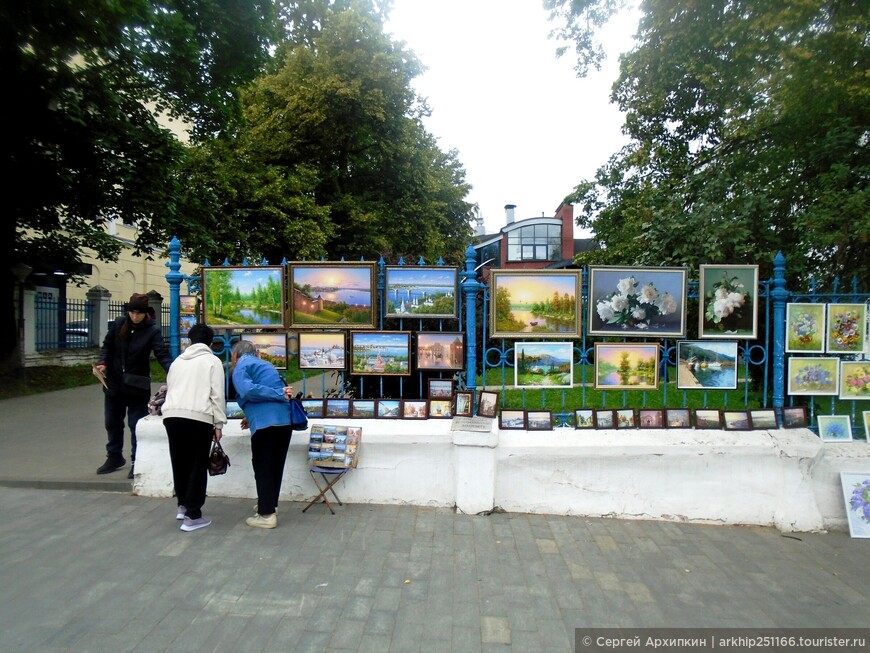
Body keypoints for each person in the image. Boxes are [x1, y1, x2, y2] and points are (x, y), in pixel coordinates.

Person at [95, 293, 172, 478]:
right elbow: (107, 346)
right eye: (132, 312)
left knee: (135, 424)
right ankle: (114, 456)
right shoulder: (119, 323)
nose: (135, 316)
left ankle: (136, 460)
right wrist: (102, 362)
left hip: (137, 386)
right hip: (113, 383)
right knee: (112, 422)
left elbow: (162, 354)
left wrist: (175, 371)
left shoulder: (152, 331)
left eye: (139, 313)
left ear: (146, 313)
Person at [161, 323, 226, 532]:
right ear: (211, 343)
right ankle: (193, 515)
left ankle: (182, 505)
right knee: (197, 465)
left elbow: (170, 387)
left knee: (179, 462)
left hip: (172, 416)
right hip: (199, 417)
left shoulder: (177, 362)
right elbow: (217, 395)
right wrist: (219, 423)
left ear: (189, 341)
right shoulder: (212, 361)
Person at [231, 340, 296, 529]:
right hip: (283, 421)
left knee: (263, 467)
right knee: (275, 466)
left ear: (235, 355)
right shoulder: (266, 364)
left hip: (266, 424)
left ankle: (266, 515)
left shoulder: (242, 365)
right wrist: (249, 415)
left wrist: (278, 393)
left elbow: (247, 390)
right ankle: (269, 505)